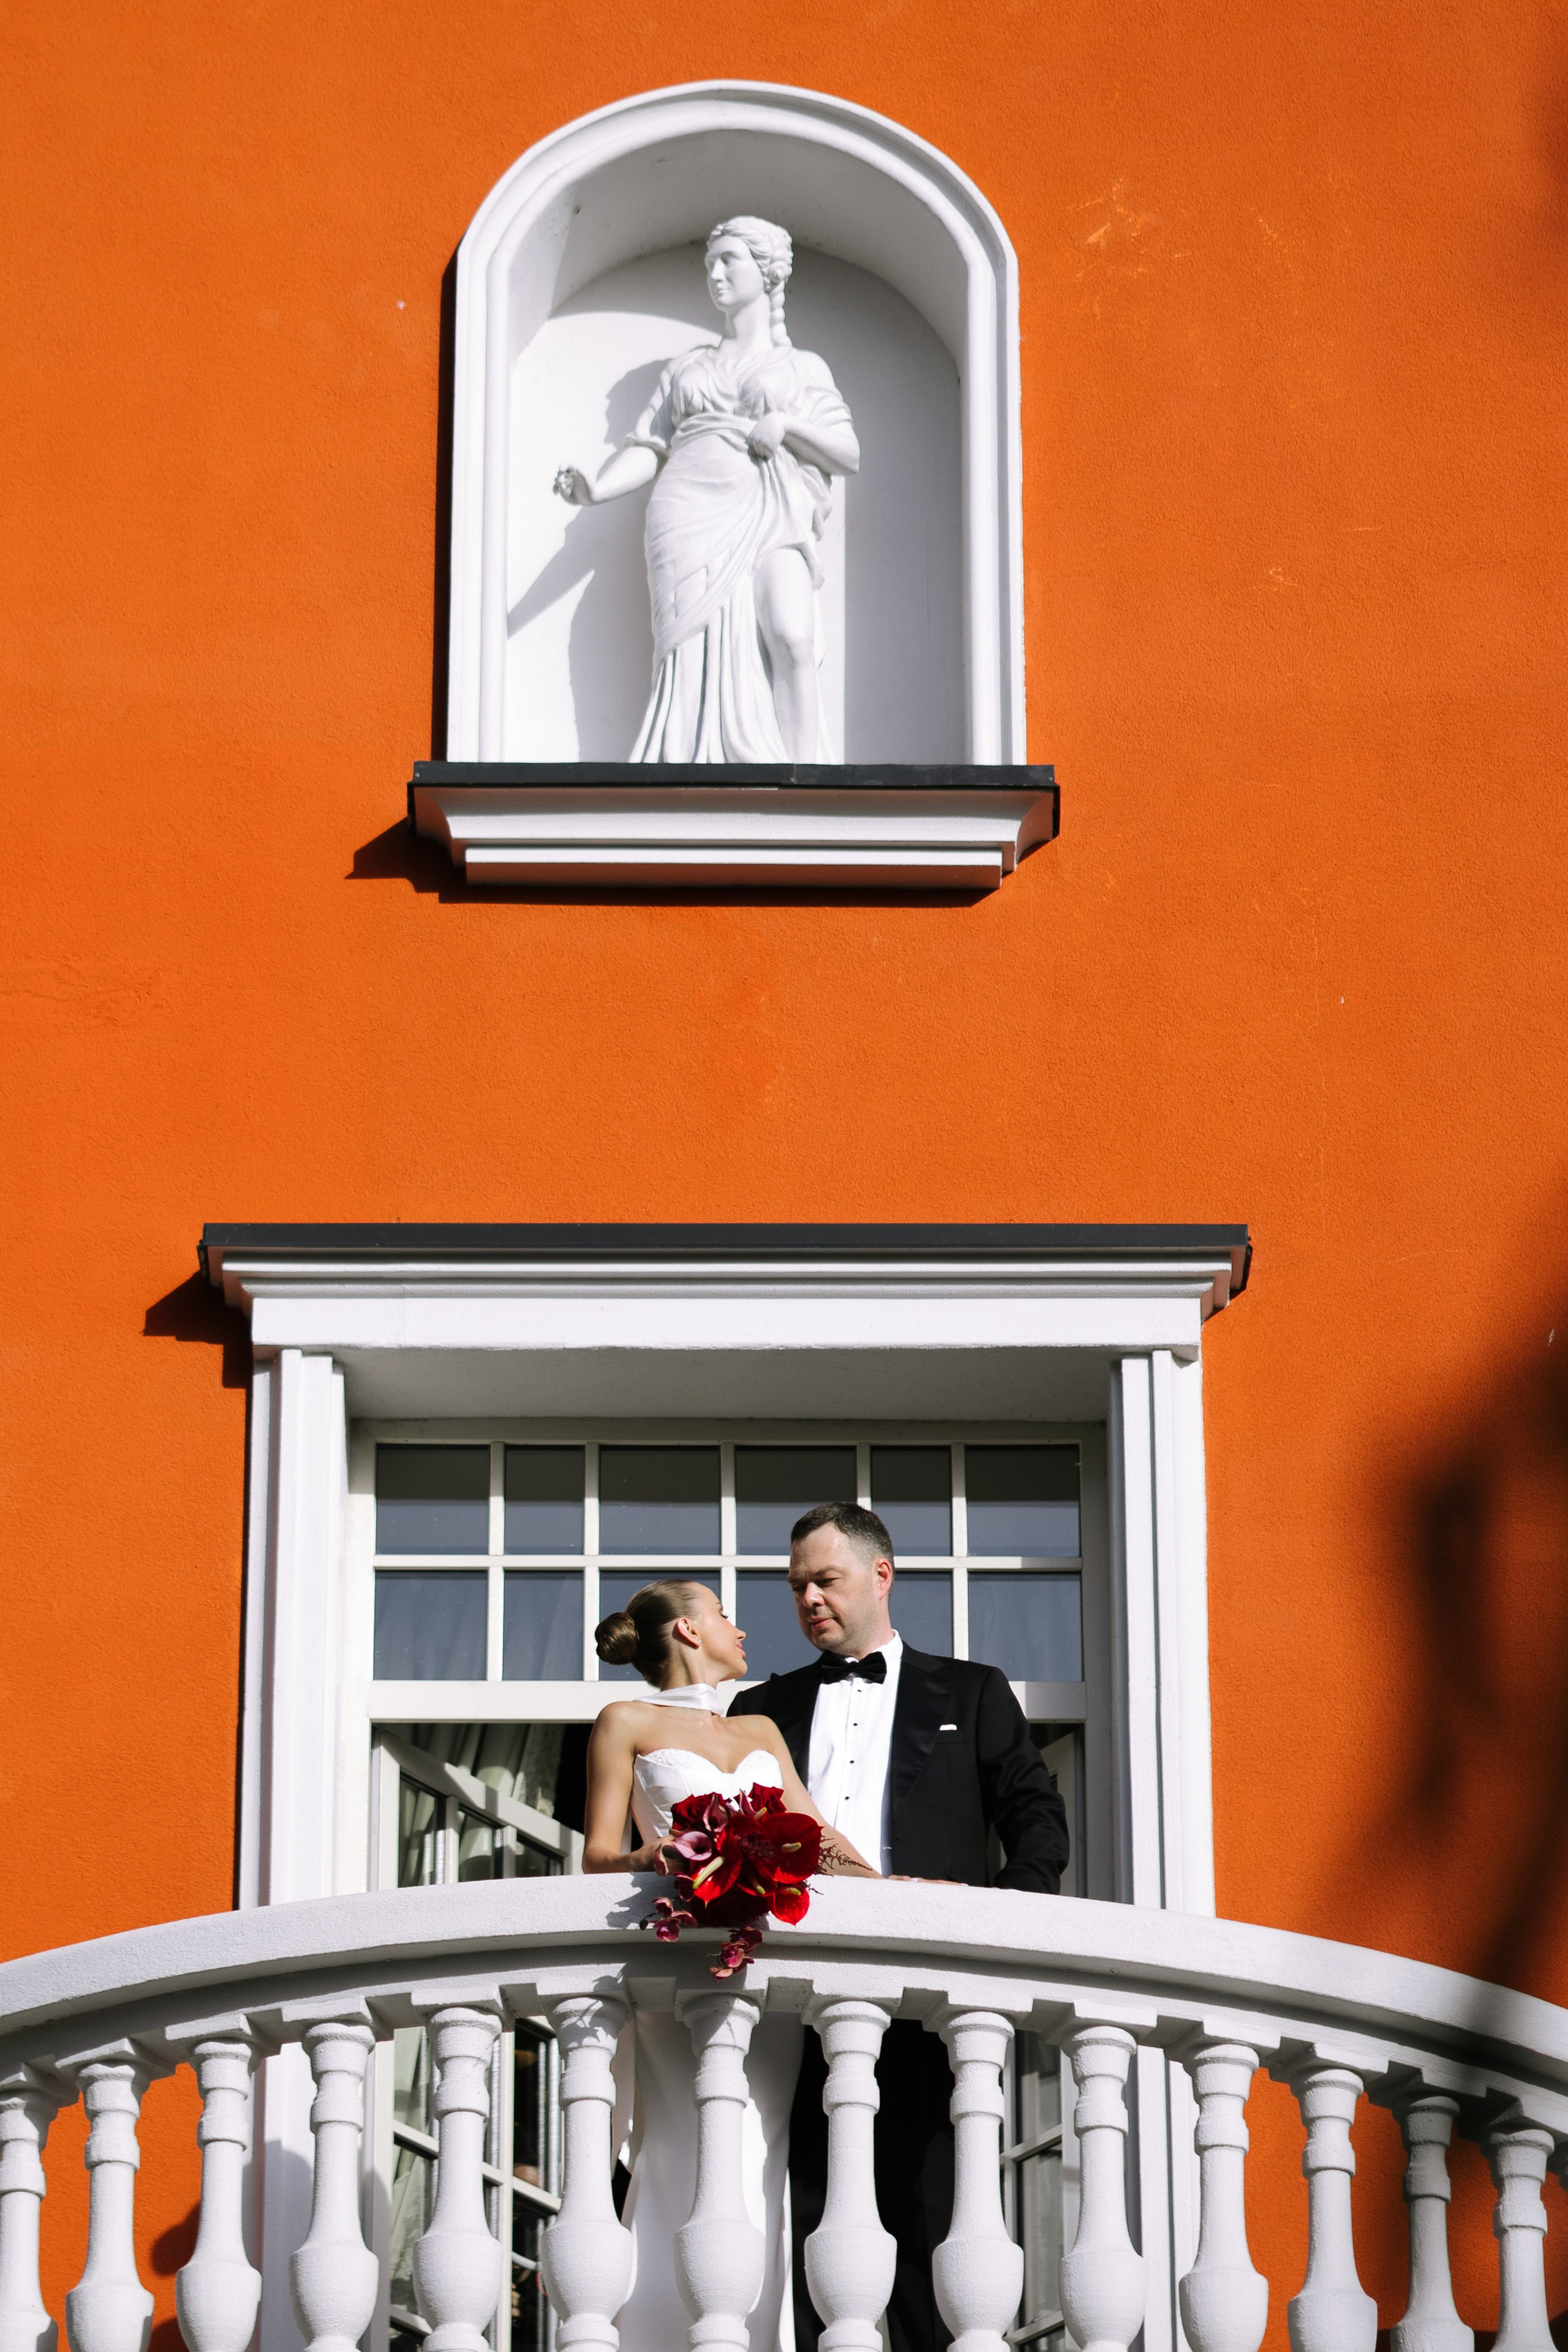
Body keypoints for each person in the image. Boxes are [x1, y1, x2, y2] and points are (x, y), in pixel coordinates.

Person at [729, 1503, 1071, 2352]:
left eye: (825, 1579)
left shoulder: (970, 1691)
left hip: (926, 1995)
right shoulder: (758, 1705)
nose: (808, 1598)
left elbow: (1036, 1818)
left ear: (881, 1576)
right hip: (791, 1997)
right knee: (807, 2219)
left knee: (928, 2216)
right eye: (796, 1585)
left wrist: (997, 1921)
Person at [582, 1578, 878, 2352]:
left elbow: (817, 1839)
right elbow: (597, 1858)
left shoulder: (760, 1730)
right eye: (721, 1612)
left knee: (758, 2153)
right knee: (680, 2147)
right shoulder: (624, 1721)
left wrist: (895, 1891)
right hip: (678, 1972)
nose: (739, 1628)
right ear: (686, 1629)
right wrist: (665, 1856)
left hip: (765, 1982)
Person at [553, 215, 859, 762]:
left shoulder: (803, 367)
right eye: (709, 264)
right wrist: (595, 490)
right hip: (685, 514)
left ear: (767, 274)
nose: (715, 274)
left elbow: (847, 453)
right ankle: (690, 759)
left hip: (772, 511)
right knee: (690, 648)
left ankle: (807, 778)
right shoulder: (687, 367)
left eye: (728, 260)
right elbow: (649, 447)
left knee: (792, 635)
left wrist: (789, 427)